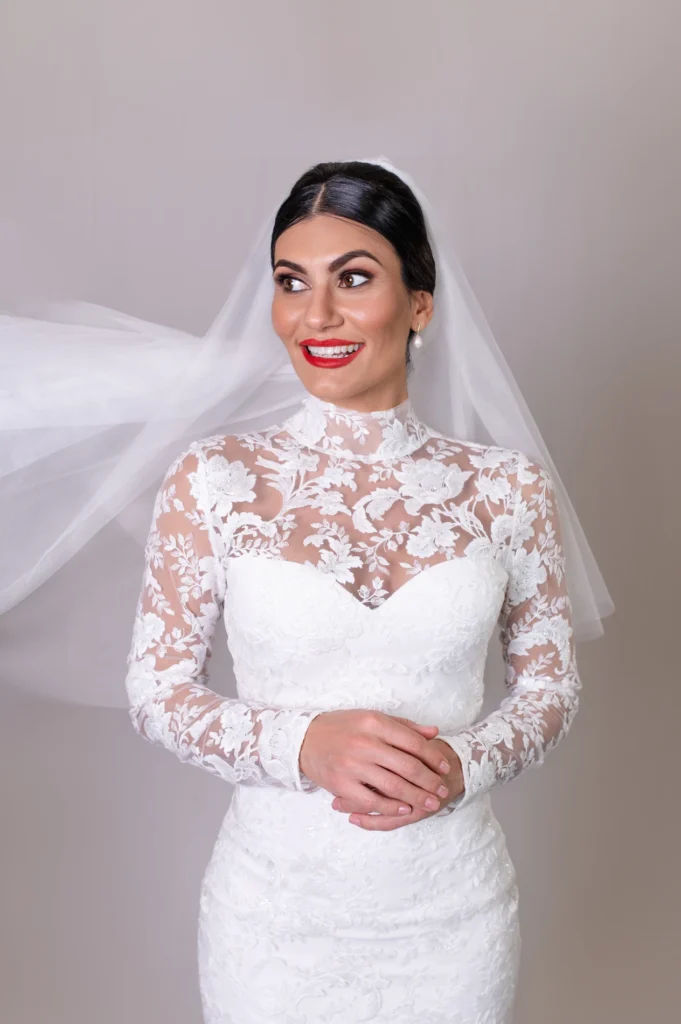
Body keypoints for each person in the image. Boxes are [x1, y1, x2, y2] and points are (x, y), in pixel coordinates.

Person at [121, 159, 609, 1022]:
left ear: (420, 303)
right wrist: (301, 745)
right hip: (272, 917)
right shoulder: (213, 479)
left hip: (449, 911)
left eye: (353, 279)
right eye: (289, 283)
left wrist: (466, 761)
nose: (316, 315)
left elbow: (549, 690)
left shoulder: (506, 489)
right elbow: (157, 694)